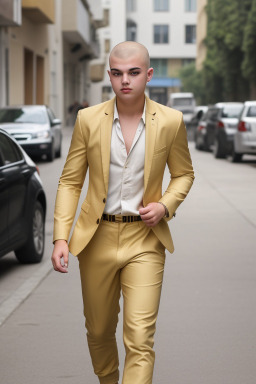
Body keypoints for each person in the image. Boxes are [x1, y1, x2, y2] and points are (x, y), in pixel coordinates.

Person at [51, 41, 194, 384]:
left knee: (140, 337)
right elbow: (70, 182)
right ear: (109, 76)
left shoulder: (171, 121)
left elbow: (184, 173)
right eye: (116, 73)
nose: (124, 81)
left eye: (133, 73)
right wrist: (60, 237)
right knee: (99, 331)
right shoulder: (87, 119)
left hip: (145, 240)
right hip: (96, 238)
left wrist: (165, 205)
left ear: (148, 75)